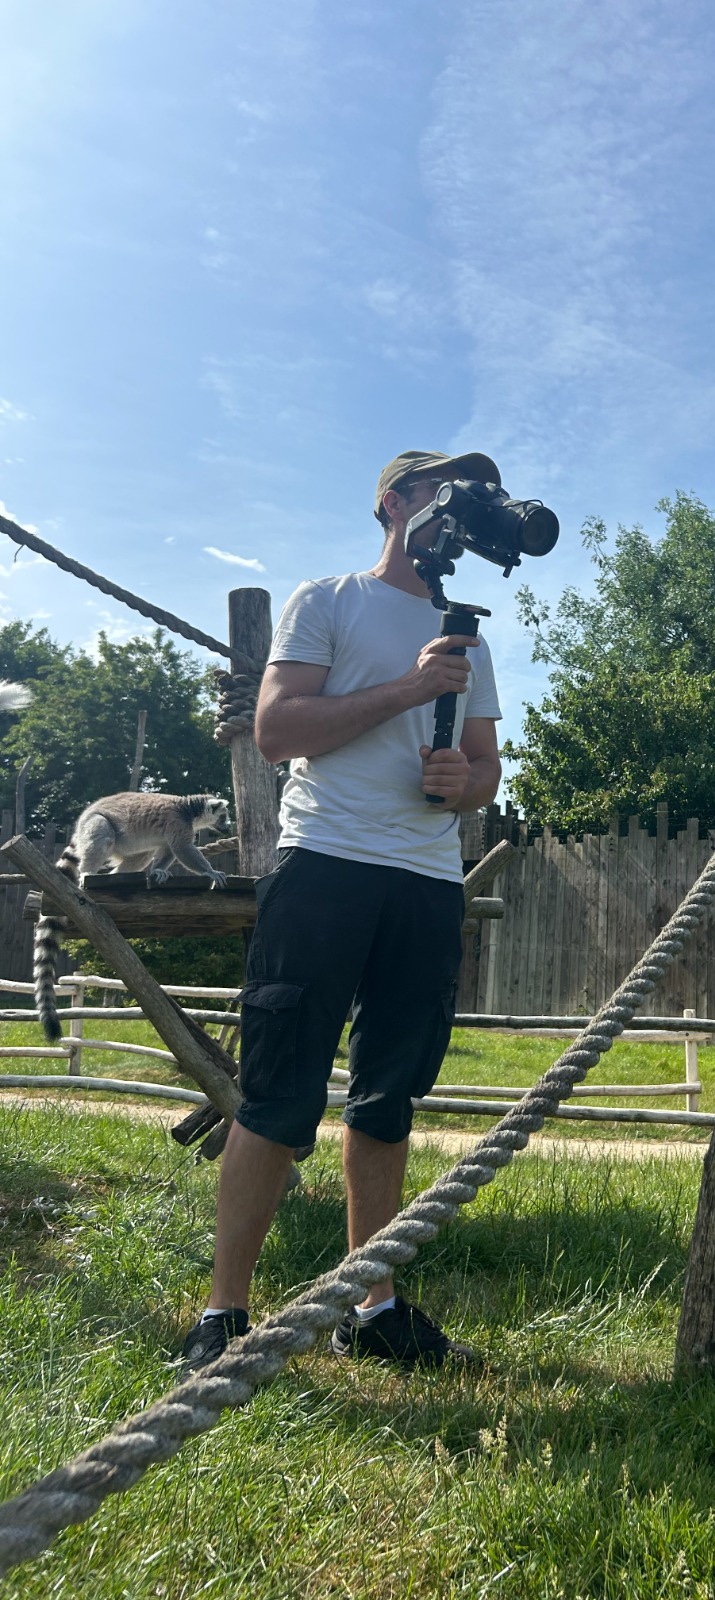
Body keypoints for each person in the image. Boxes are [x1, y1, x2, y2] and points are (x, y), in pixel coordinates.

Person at [181, 450, 504, 1371]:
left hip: (426, 881)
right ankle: (223, 1316)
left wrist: (460, 782)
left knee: (388, 1097)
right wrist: (409, 687)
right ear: (395, 503)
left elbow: (482, 771)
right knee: (280, 1092)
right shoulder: (327, 599)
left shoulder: (466, 635)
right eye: (443, 488)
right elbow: (279, 731)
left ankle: (376, 1305)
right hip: (324, 865)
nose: (460, 507)